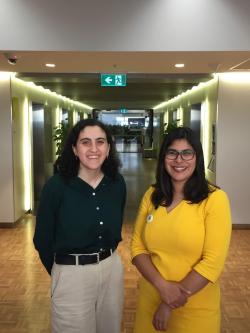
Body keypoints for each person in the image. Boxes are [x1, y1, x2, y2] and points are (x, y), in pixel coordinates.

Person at [131, 127, 231, 333]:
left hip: (195, 308)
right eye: (172, 153)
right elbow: (137, 247)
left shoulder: (214, 199)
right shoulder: (152, 195)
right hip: (150, 300)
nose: (179, 160)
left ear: (197, 158)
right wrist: (162, 287)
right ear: (163, 157)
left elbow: (212, 262)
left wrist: (168, 304)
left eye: (187, 153)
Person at [33, 118, 126, 333]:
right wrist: (62, 272)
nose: (94, 149)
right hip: (71, 273)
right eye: (85, 142)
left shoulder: (116, 183)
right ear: (74, 149)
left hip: (111, 269)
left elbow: (116, 224)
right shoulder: (56, 187)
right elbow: (42, 239)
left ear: (109, 147)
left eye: (100, 142)